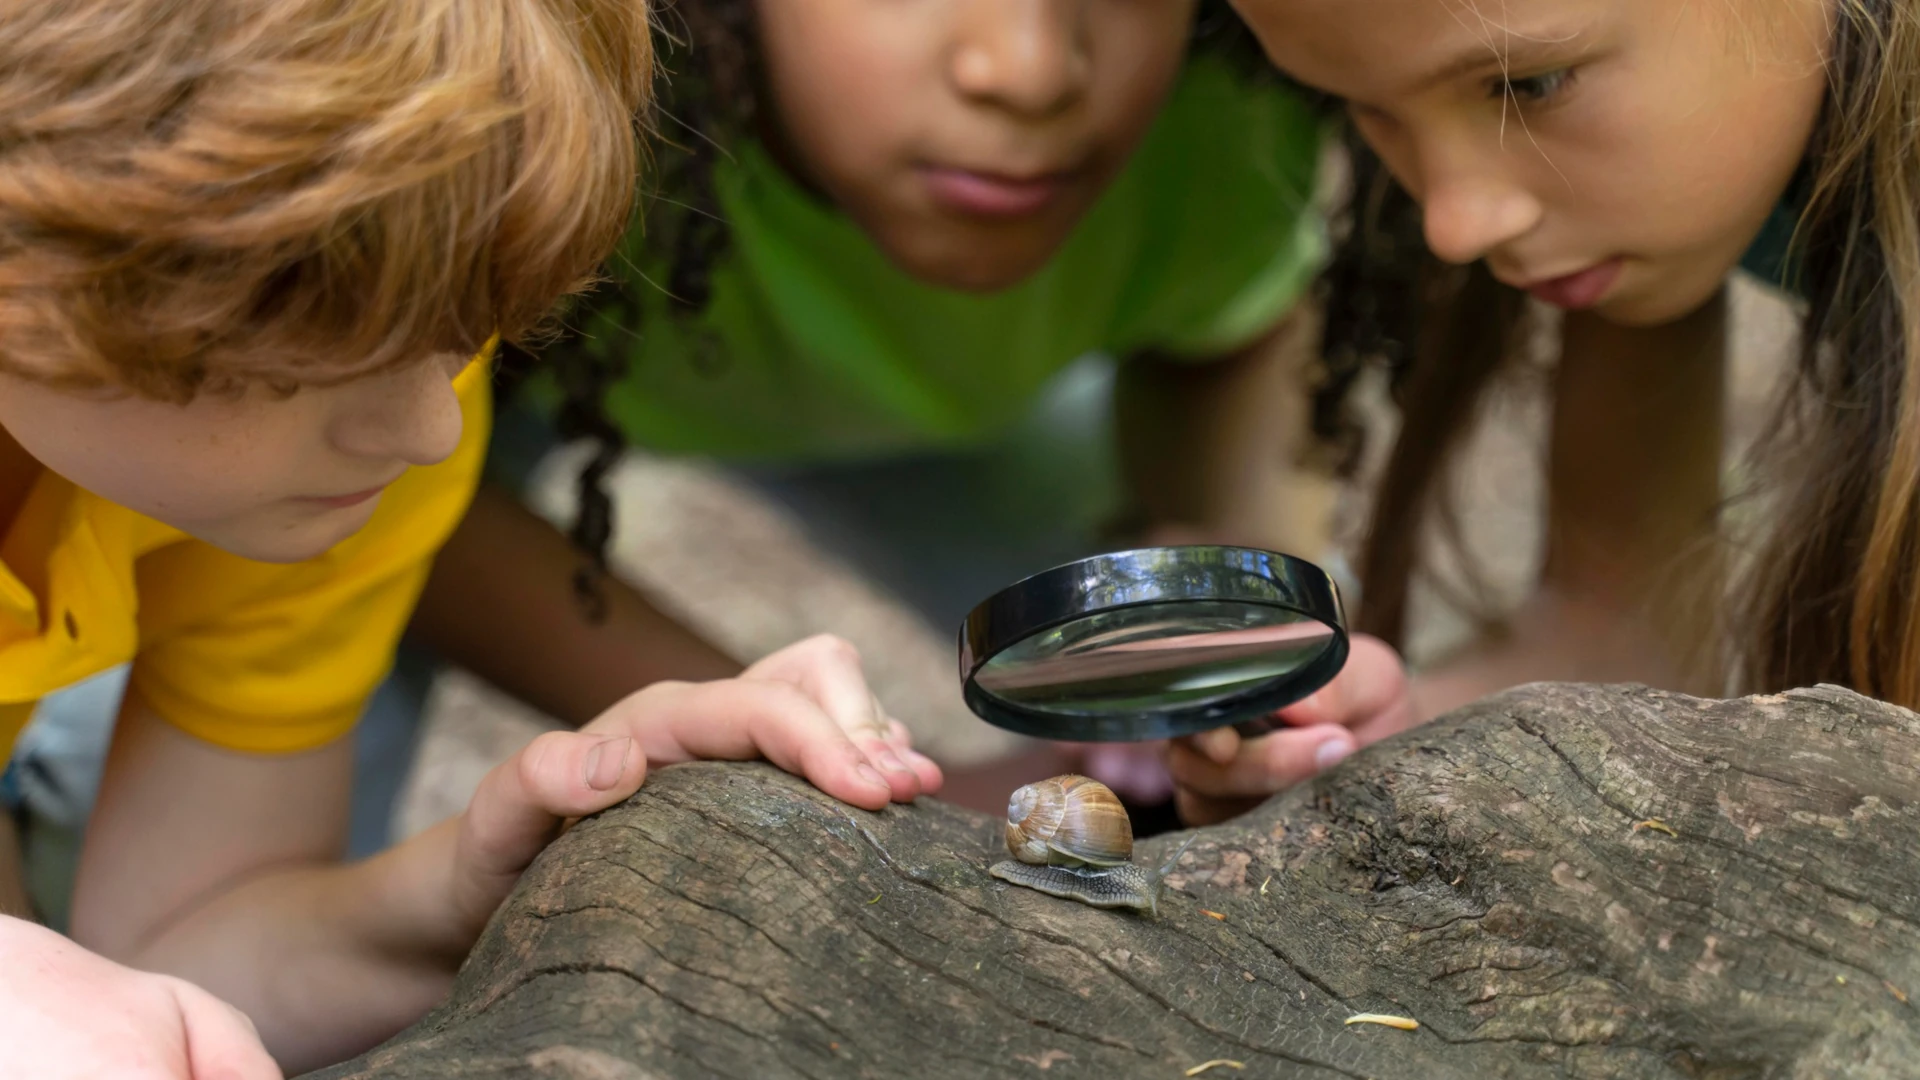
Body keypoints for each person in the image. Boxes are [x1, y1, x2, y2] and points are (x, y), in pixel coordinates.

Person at [0, 0, 934, 1075]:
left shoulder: (311, 470)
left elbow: (177, 954)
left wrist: (482, 887)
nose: (429, 428)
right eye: (320, 342)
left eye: (459, 326)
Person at [390, 0, 1389, 826]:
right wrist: (825, 762)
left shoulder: (1233, 86)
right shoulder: (526, 87)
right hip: (458, 421)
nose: (1029, 68)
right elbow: (392, 501)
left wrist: (1230, 660)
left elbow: (1226, 327)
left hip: (1004, 417)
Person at [1211, 0, 1913, 743]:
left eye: (1531, 86)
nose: (1454, 226)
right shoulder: (1643, 216)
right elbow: (1618, 642)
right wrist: (1387, 754)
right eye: (1361, 108)